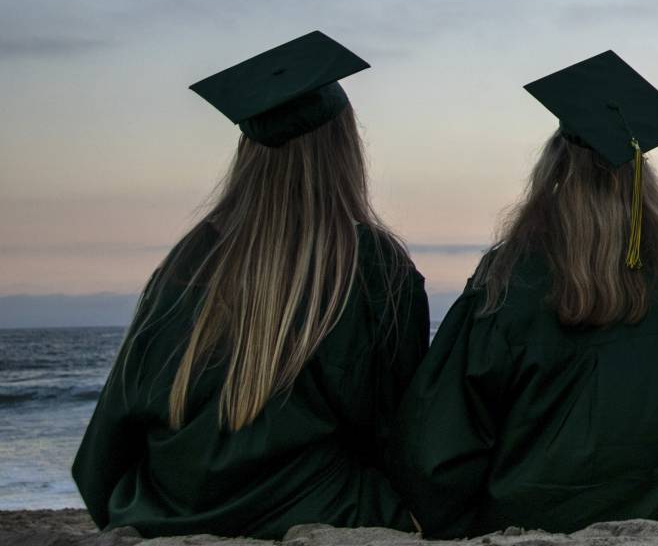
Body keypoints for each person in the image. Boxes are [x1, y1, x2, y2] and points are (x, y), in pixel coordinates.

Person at [396, 51, 658, 538]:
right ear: (642, 187)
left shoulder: (503, 286)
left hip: (516, 524)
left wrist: (473, 523)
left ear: (549, 178)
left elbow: (438, 451)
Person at [72, 32, 428, 538]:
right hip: (323, 510)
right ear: (346, 148)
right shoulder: (367, 264)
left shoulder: (189, 261)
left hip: (162, 514)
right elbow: (396, 430)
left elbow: (107, 444)